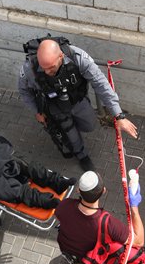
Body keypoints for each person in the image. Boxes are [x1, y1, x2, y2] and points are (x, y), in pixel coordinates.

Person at [18, 37, 138, 171]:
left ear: (61, 56)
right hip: (55, 107)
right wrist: (37, 111)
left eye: (51, 68)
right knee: (71, 135)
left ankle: (72, 127)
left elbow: (101, 83)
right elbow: (24, 91)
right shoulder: (30, 67)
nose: (47, 72)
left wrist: (119, 115)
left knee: (89, 125)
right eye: (44, 68)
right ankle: (82, 155)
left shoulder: (77, 57)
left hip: (77, 101)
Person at [55, 171, 144, 263]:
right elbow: (138, 241)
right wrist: (134, 206)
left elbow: (59, 217)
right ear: (104, 191)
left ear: (78, 190)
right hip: (88, 261)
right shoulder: (109, 224)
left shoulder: (65, 204)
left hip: (65, 248)